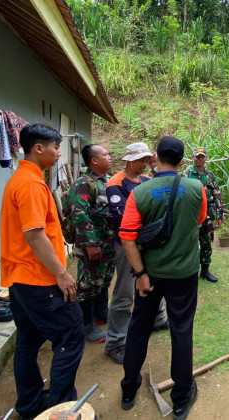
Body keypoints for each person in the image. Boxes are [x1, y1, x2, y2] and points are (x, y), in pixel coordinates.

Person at [119, 136, 206, 420]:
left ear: (155, 157)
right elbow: (199, 220)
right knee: (181, 330)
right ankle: (181, 398)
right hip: (184, 274)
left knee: (139, 327)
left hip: (150, 276)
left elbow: (127, 238)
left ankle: (129, 389)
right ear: (183, 162)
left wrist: (141, 274)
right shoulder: (196, 188)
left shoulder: (140, 192)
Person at [0, 124, 84, 419]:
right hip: (39, 280)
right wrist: (61, 273)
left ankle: (29, 403)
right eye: (55, 146)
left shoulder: (19, 179)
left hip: (20, 281)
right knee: (70, 335)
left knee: (28, 339)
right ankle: (60, 406)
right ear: (39, 148)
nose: (58, 152)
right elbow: (35, 234)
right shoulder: (31, 185)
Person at [104, 142, 168, 365]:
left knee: (151, 281)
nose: (145, 164)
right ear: (129, 160)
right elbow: (123, 218)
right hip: (126, 245)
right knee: (124, 291)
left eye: (147, 160)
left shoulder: (146, 181)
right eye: (141, 160)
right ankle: (116, 341)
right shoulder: (116, 184)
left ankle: (158, 319)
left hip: (146, 243)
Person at [68, 144, 114, 343]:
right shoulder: (83, 183)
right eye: (105, 155)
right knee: (87, 285)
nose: (109, 157)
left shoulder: (106, 182)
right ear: (94, 160)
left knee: (103, 280)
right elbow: (80, 214)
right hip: (93, 246)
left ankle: (101, 314)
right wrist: (90, 244)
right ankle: (85, 326)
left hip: (107, 244)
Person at [182, 147, 223, 283]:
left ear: (205, 158)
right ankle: (190, 271)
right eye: (197, 157)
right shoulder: (186, 174)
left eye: (202, 157)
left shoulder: (210, 175)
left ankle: (205, 271)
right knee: (190, 243)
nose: (199, 159)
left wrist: (219, 213)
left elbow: (217, 193)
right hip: (192, 215)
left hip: (208, 214)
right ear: (193, 158)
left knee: (206, 242)